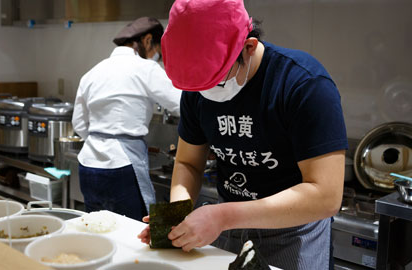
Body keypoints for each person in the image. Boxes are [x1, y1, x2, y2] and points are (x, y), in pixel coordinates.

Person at [137, 1, 348, 269]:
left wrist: (223, 216)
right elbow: (188, 162)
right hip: (228, 224)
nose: (207, 93)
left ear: (248, 47)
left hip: (293, 230)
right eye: (200, 87)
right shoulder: (196, 91)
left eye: (217, 81)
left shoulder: (303, 83)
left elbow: (325, 195)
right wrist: (176, 218)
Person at [72, 17, 181, 222]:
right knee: (132, 235)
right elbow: (182, 105)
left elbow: (78, 124)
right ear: (147, 40)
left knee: (98, 232)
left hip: (88, 165)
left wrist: (103, 140)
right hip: (122, 168)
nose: (156, 57)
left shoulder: (92, 73)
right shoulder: (146, 68)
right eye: (157, 50)